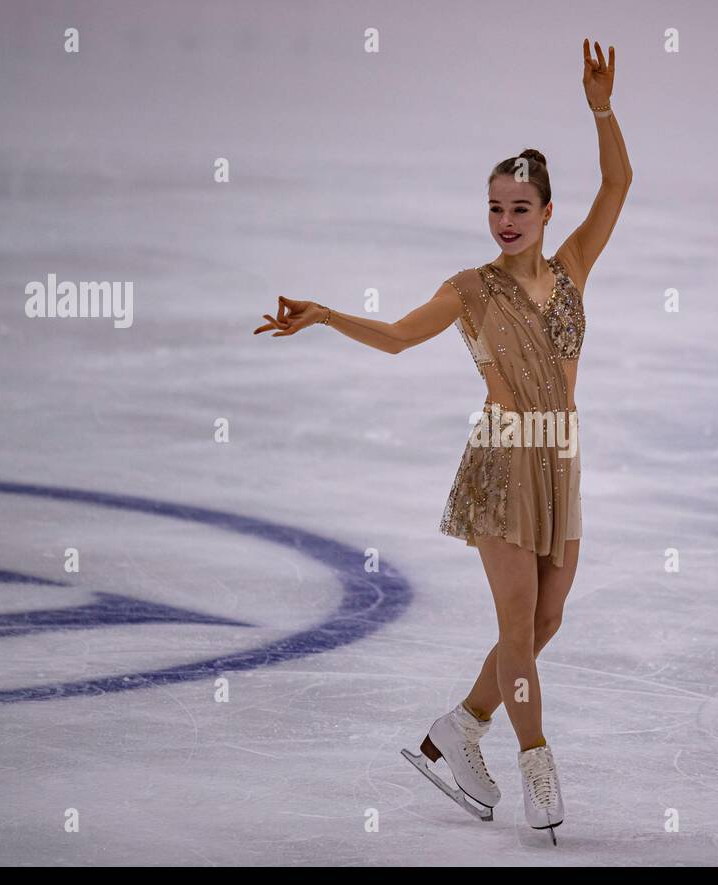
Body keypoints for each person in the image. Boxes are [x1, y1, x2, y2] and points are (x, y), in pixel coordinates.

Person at [254, 39, 631, 840]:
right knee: (520, 628)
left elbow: (620, 182)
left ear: (546, 212)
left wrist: (600, 108)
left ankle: (461, 727)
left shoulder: (572, 267)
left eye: (519, 208)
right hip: (501, 464)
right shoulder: (470, 290)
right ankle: (538, 769)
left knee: (548, 621)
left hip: (561, 462)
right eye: (495, 208)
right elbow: (394, 336)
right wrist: (325, 314)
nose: (504, 222)